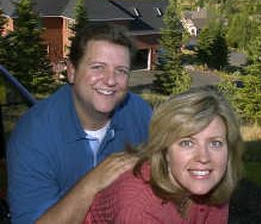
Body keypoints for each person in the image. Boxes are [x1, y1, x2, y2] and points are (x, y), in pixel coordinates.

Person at [7, 23, 152, 224]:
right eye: (98, 67)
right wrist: (92, 183)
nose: (111, 80)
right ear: (72, 71)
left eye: (121, 71)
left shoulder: (140, 114)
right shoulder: (33, 135)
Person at [84, 86, 244, 223]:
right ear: (164, 149)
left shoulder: (211, 185)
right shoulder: (137, 206)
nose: (204, 158)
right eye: (187, 143)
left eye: (215, 143)